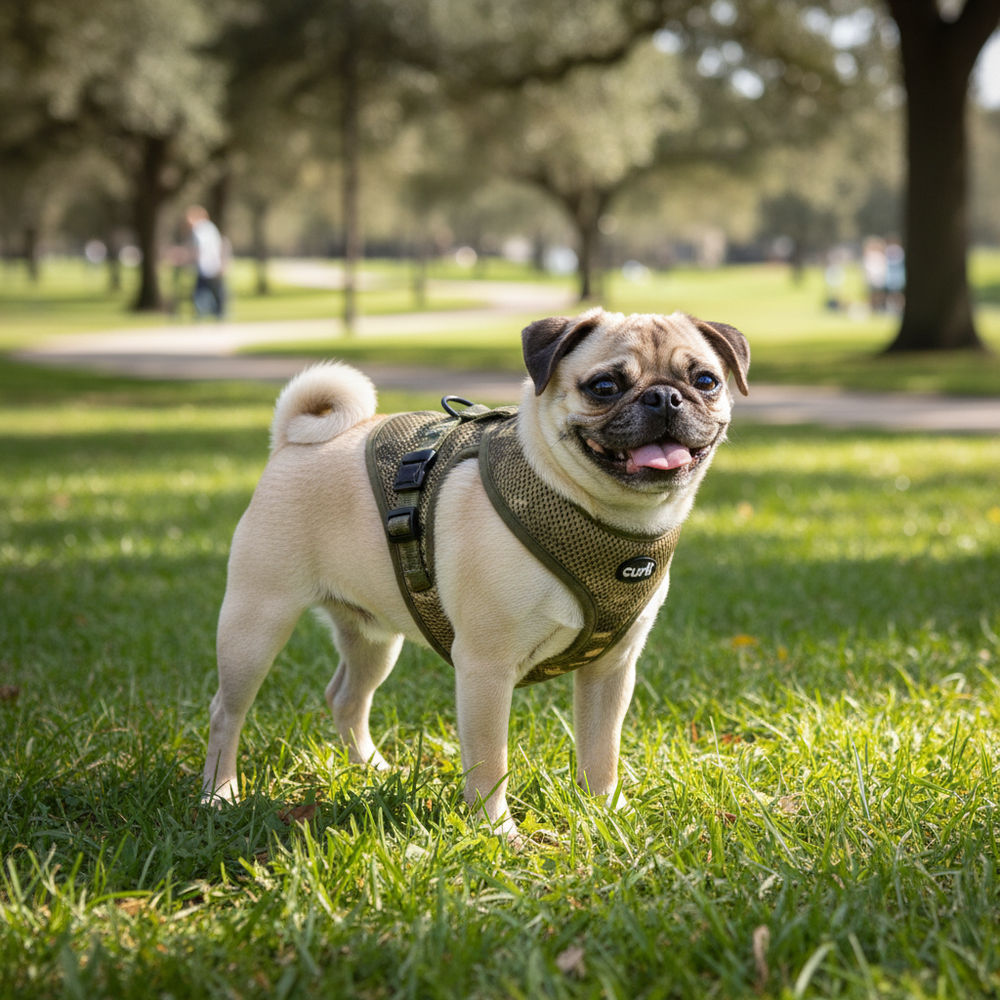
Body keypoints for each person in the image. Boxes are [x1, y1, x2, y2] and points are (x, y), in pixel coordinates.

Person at [185, 205, 226, 319]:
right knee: (216, 291)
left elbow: (199, 249)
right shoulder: (211, 228)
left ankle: (202, 314)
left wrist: (188, 259)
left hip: (205, 266)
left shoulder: (199, 229)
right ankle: (219, 314)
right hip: (214, 264)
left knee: (201, 292)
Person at [862, 236, 887, 314]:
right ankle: (873, 308)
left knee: (877, 295)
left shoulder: (879, 256)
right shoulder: (871, 256)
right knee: (872, 295)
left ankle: (878, 308)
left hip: (878, 278)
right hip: (873, 278)